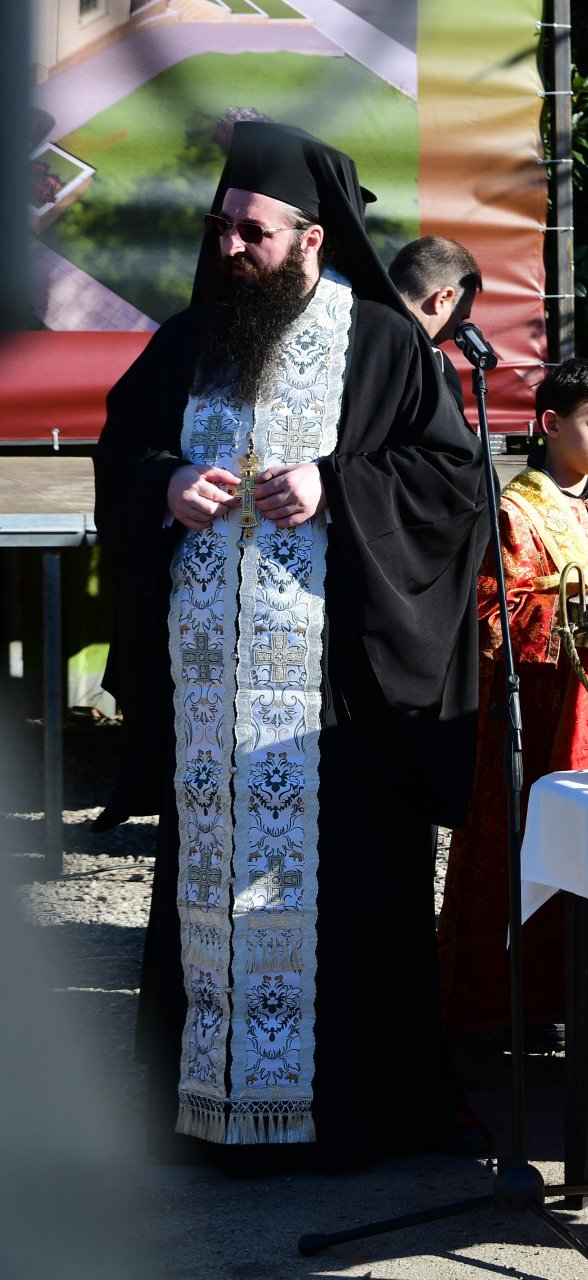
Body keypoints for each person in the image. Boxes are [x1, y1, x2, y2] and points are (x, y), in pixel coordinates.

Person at [93, 122, 489, 1170]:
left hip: (334, 709)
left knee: (345, 903)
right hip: (212, 704)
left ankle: (348, 1120)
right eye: (222, 227)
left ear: (314, 238)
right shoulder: (189, 340)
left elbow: (455, 491)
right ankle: (204, 1114)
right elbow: (123, 449)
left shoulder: (387, 343)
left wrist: (337, 487)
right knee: (205, 900)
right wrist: (165, 484)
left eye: (252, 233)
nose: (229, 248)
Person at [437, 360, 588, 1041]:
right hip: (532, 711)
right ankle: (505, 1003)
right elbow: (487, 607)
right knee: (526, 841)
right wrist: (574, 604)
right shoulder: (514, 508)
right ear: (550, 426)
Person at [389, 234, 482, 410]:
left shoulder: (343, 322)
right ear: (443, 298)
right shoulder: (432, 367)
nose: (452, 336)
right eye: (461, 317)